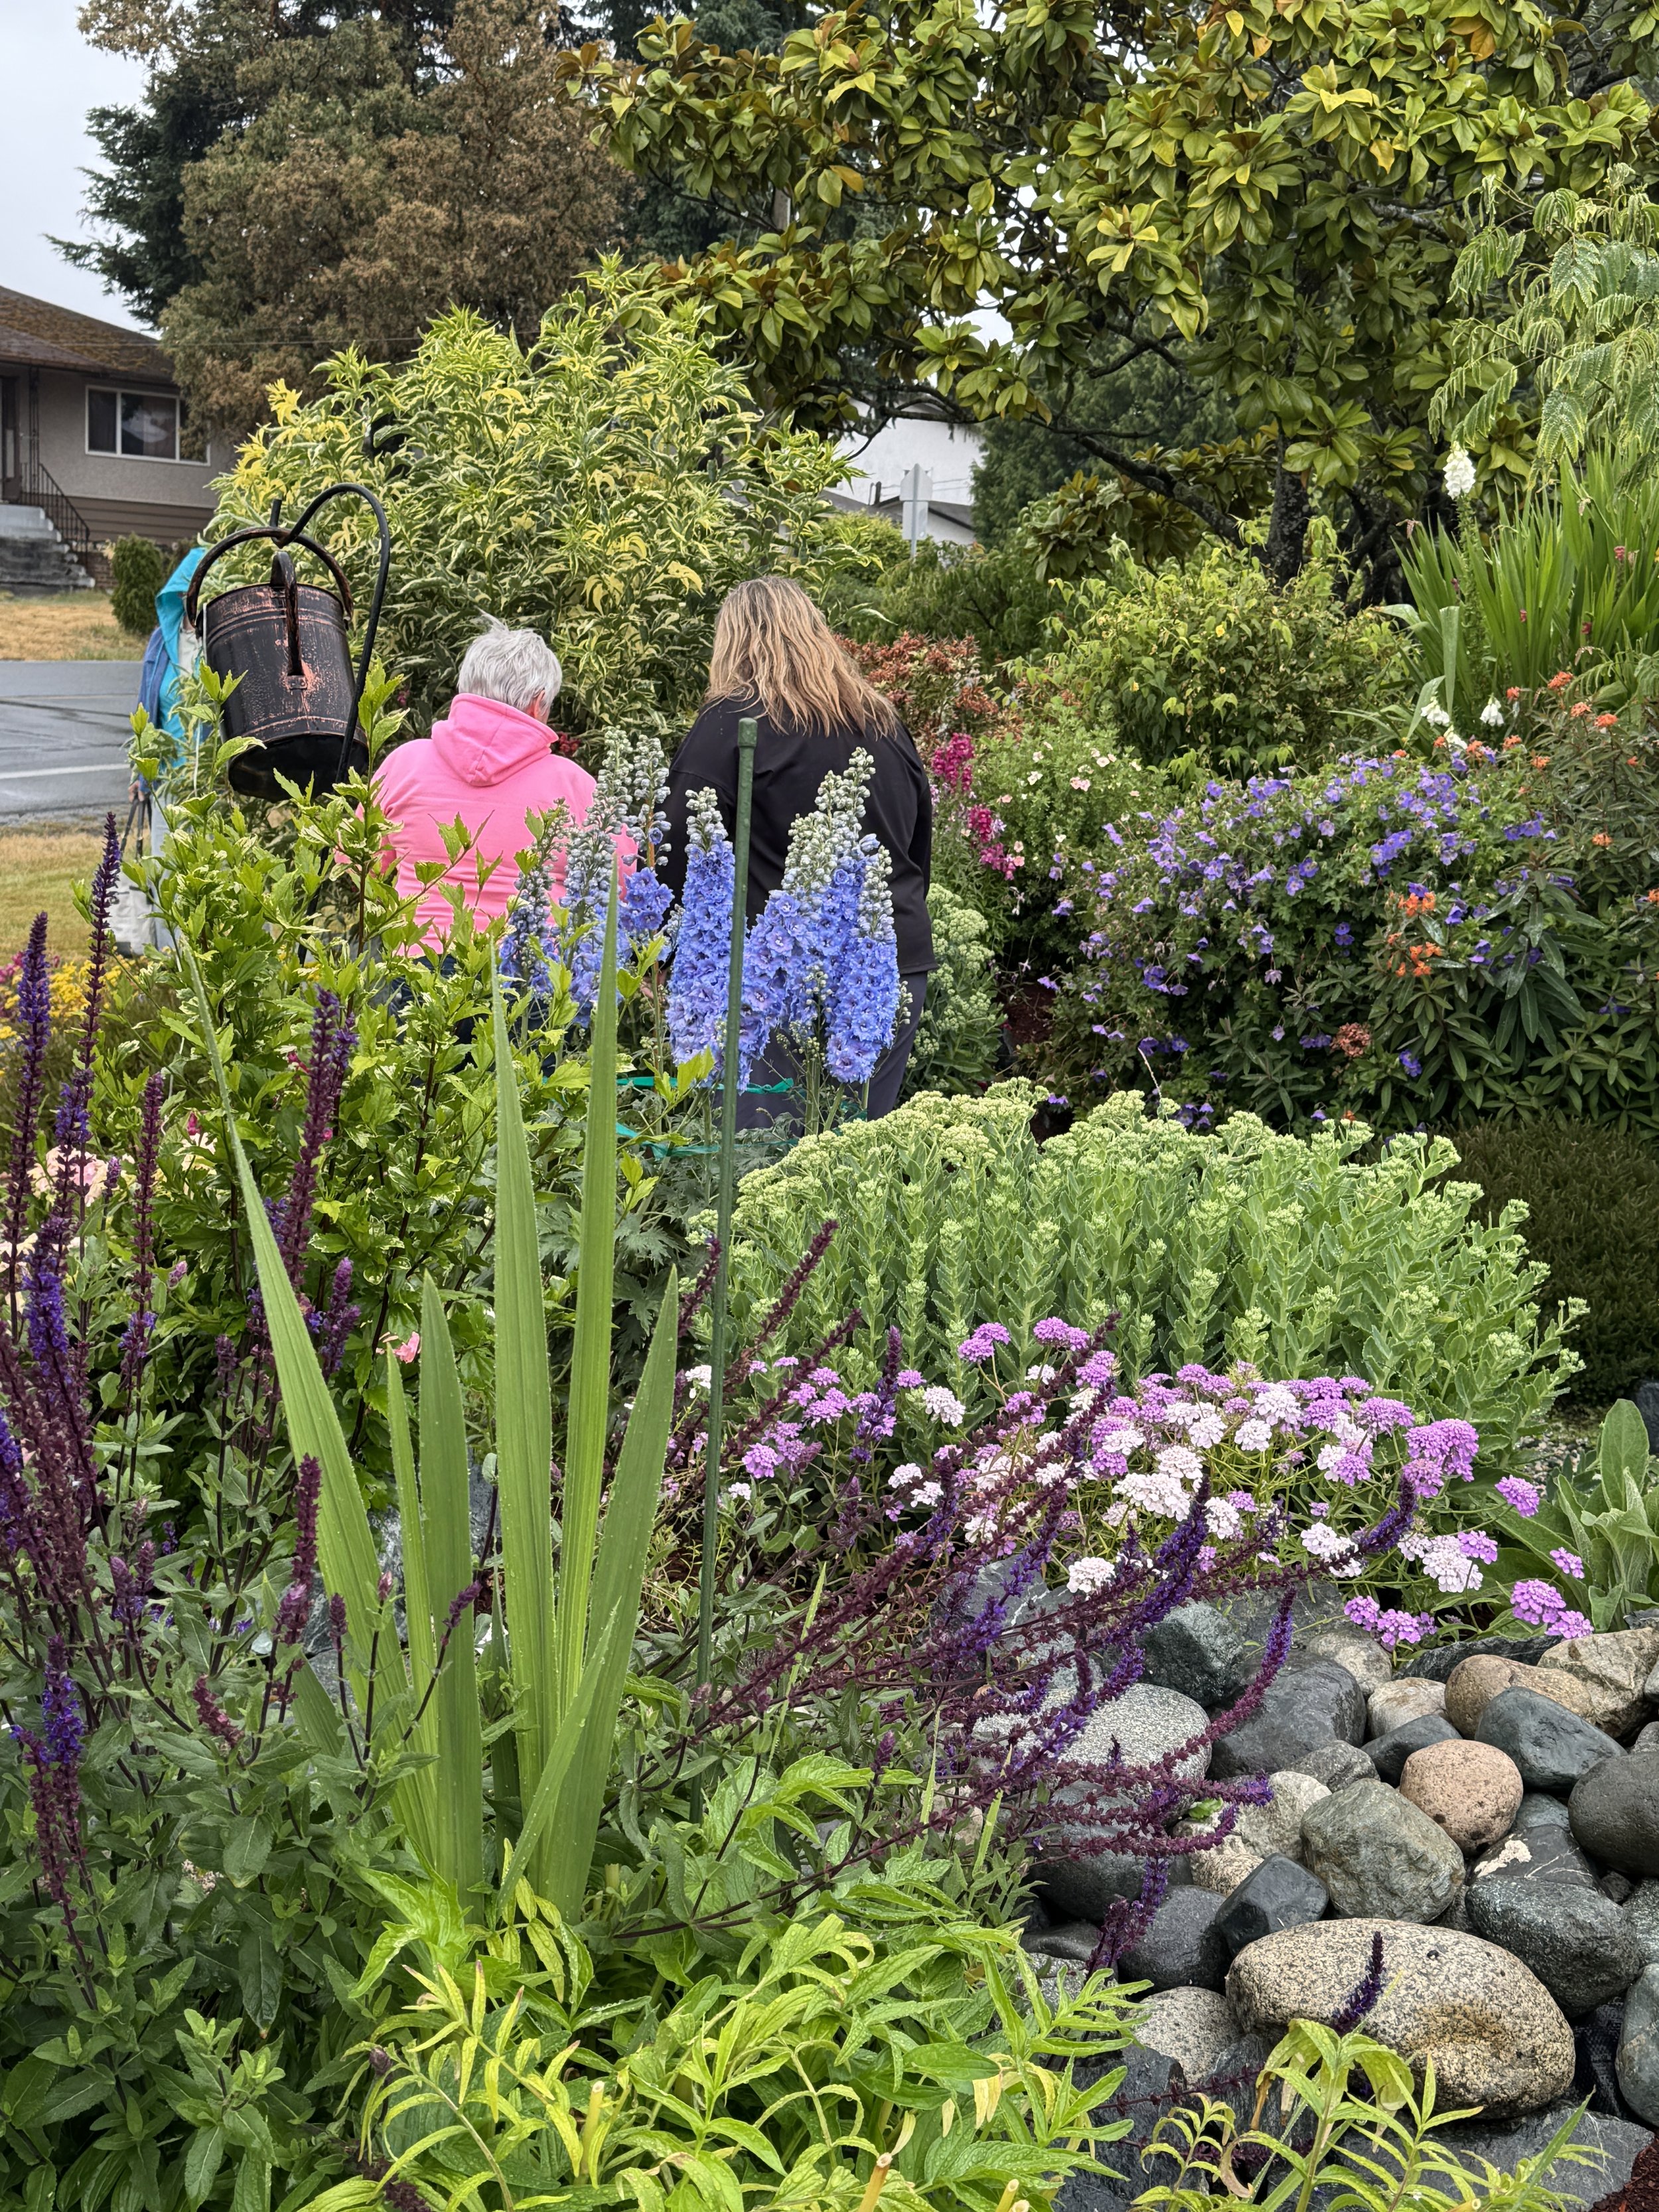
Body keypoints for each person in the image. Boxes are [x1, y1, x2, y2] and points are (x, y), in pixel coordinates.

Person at [663, 575, 934, 1121]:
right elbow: (916, 845)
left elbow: (676, 853)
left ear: (732, 643)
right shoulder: (881, 723)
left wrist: (666, 959)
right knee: (850, 1164)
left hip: (774, 978)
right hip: (887, 967)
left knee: (761, 1168)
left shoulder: (730, 725)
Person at [373, 619, 601, 950]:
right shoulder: (575, 785)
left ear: (465, 689)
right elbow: (617, 885)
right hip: (533, 967)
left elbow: (354, 862)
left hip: (419, 959)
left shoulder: (404, 764)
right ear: (539, 704)